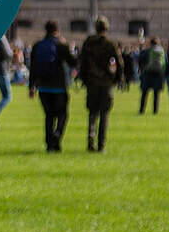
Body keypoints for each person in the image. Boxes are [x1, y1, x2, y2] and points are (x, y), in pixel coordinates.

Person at [29, 20, 78, 152]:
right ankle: (57, 135)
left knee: (49, 116)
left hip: (43, 87)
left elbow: (32, 68)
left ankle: (50, 144)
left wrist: (31, 87)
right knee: (63, 114)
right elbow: (73, 62)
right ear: (57, 30)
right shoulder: (60, 45)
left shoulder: (37, 45)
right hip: (59, 86)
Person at [78, 17, 122, 152]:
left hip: (92, 83)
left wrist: (84, 79)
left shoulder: (88, 43)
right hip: (106, 83)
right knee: (104, 115)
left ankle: (91, 141)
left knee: (92, 113)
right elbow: (120, 64)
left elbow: (82, 62)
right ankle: (101, 144)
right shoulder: (110, 44)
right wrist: (117, 79)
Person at [138, 37, 165, 114]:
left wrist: (141, 68)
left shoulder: (147, 51)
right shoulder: (162, 52)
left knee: (144, 94)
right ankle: (155, 111)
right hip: (159, 74)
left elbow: (140, 60)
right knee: (156, 95)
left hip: (147, 73)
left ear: (151, 43)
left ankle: (141, 110)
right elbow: (165, 63)